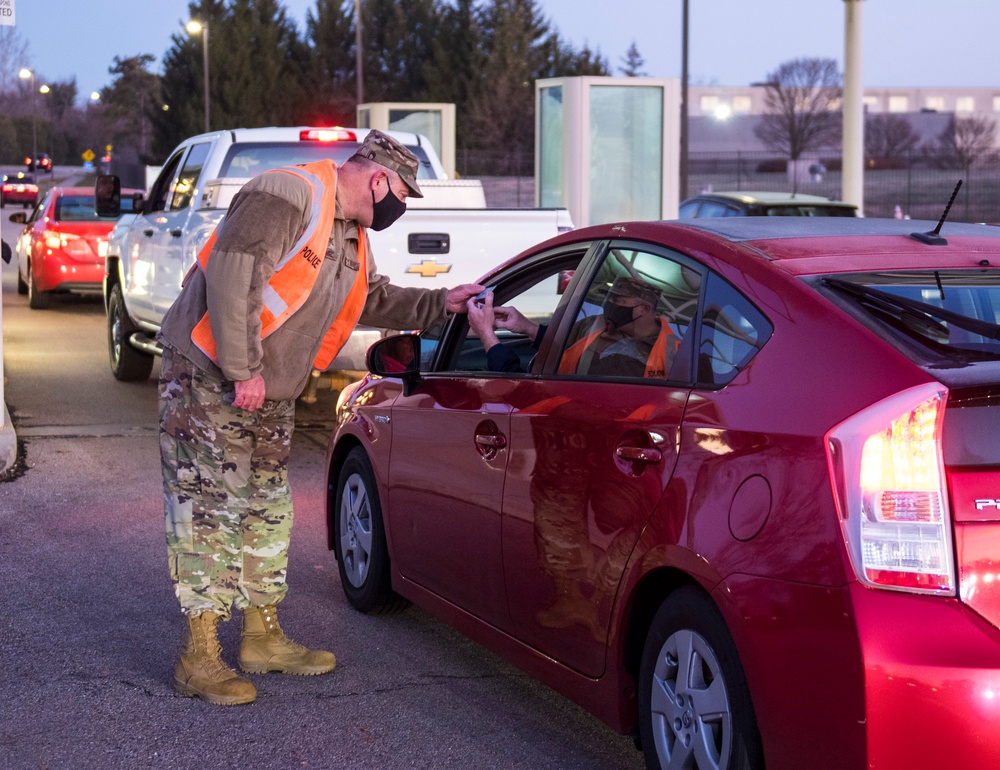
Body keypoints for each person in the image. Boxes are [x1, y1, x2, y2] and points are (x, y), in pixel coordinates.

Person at [157, 129, 483, 706]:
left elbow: (369, 298)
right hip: (213, 376)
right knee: (210, 508)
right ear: (378, 178)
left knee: (264, 508)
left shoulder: (351, 232)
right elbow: (235, 274)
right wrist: (243, 368)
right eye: (402, 195)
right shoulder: (287, 193)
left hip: (267, 391)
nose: (400, 208)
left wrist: (441, 304)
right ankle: (199, 656)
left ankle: (261, 637)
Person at [467, 274, 679, 378]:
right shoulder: (592, 325)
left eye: (619, 302)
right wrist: (527, 327)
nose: (609, 306)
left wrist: (487, 335)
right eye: (610, 299)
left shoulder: (675, 353)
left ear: (643, 309)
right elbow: (559, 349)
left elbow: (510, 387)